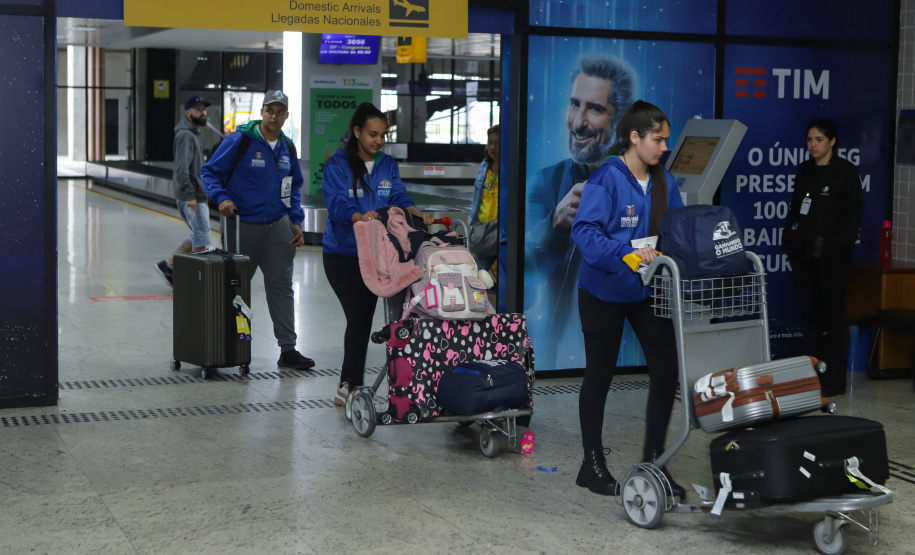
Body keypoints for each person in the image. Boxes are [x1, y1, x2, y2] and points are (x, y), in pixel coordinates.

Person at [570, 100, 685, 499]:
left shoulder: (664, 181)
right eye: (657, 139)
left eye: (666, 139)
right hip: (603, 290)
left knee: (667, 369)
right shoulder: (607, 178)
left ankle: (655, 462)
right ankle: (591, 464)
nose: (664, 147)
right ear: (634, 137)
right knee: (599, 375)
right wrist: (625, 253)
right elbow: (584, 234)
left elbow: (676, 230)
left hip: (644, 290)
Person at [525, 55, 636, 369]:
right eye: (575, 104)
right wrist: (555, 226)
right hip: (560, 348)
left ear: (621, 120)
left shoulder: (639, 181)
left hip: (625, 334)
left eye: (595, 108)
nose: (578, 121)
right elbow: (528, 266)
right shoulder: (546, 182)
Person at [322, 102, 434, 407]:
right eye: (373, 134)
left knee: (371, 318)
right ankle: (350, 387)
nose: (379, 141)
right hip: (343, 254)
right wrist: (360, 217)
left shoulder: (387, 165)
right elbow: (335, 203)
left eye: (383, 135)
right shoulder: (338, 165)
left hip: (380, 255)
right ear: (357, 132)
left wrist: (414, 212)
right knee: (359, 318)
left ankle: (355, 386)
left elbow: (398, 195)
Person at [200, 90, 315, 371]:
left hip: (278, 226)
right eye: (269, 110)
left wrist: (296, 221)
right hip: (241, 224)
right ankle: (228, 344)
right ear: (262, 112)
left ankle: (288, 349)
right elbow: (209, 173)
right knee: (234, 289)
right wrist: (222, 198)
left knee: (281, 287)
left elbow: (293, 187)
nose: (274, 116)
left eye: (279, 111)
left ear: (286, 116)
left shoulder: (288, 147)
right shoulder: (240, 141)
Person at [782, 118, 863, 397]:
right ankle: (809, 377)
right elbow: (796, 209)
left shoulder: (845, 172)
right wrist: (790, 242)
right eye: (809, 140)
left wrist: (834, 248)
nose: (812, 145)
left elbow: (853, 219)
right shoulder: (804, 170)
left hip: (833, 260)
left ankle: (834, 380)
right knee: (810, 317)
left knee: (834, 317)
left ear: (832, 141)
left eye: (818, 140)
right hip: (804, 257)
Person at [154, 95, 212, 286]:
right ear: (188, 113)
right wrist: (189, 195)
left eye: (204, 109)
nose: (203, 113)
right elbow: (181, 169)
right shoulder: (185, 135)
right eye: (198, 110)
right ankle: (196, 281)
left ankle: (169, 266)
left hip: (197, 194)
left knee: (199, 235)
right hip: (192, 196)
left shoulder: (193, 133)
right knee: (201, 240)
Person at [468, 124, 500, 275]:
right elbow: (478, 197)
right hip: (483, 229)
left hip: (502, 230)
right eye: (490, 142)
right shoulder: (484, 166)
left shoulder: (512, 168)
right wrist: (472, 223)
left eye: (498, 142)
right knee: (477, 274)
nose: (493, 146)